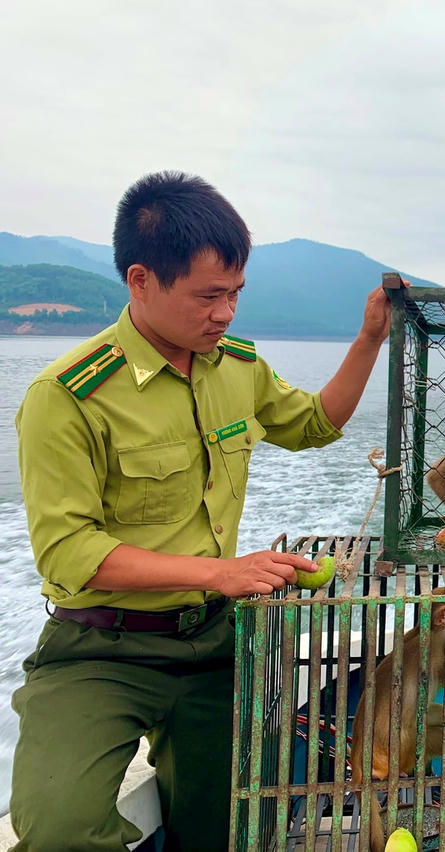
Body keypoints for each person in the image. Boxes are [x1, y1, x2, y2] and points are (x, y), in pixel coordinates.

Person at [9, 171, 391, 851]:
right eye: (208, 296)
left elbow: (313, 423)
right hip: (101, 649)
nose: (226, 314)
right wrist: (219, 573)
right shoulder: (66, 394)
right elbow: (66, 552)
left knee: (234, 820)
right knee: (59, 825)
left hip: (215, 642)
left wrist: (368, 340)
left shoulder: (235, 366)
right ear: (141, 280)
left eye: (236, 294)